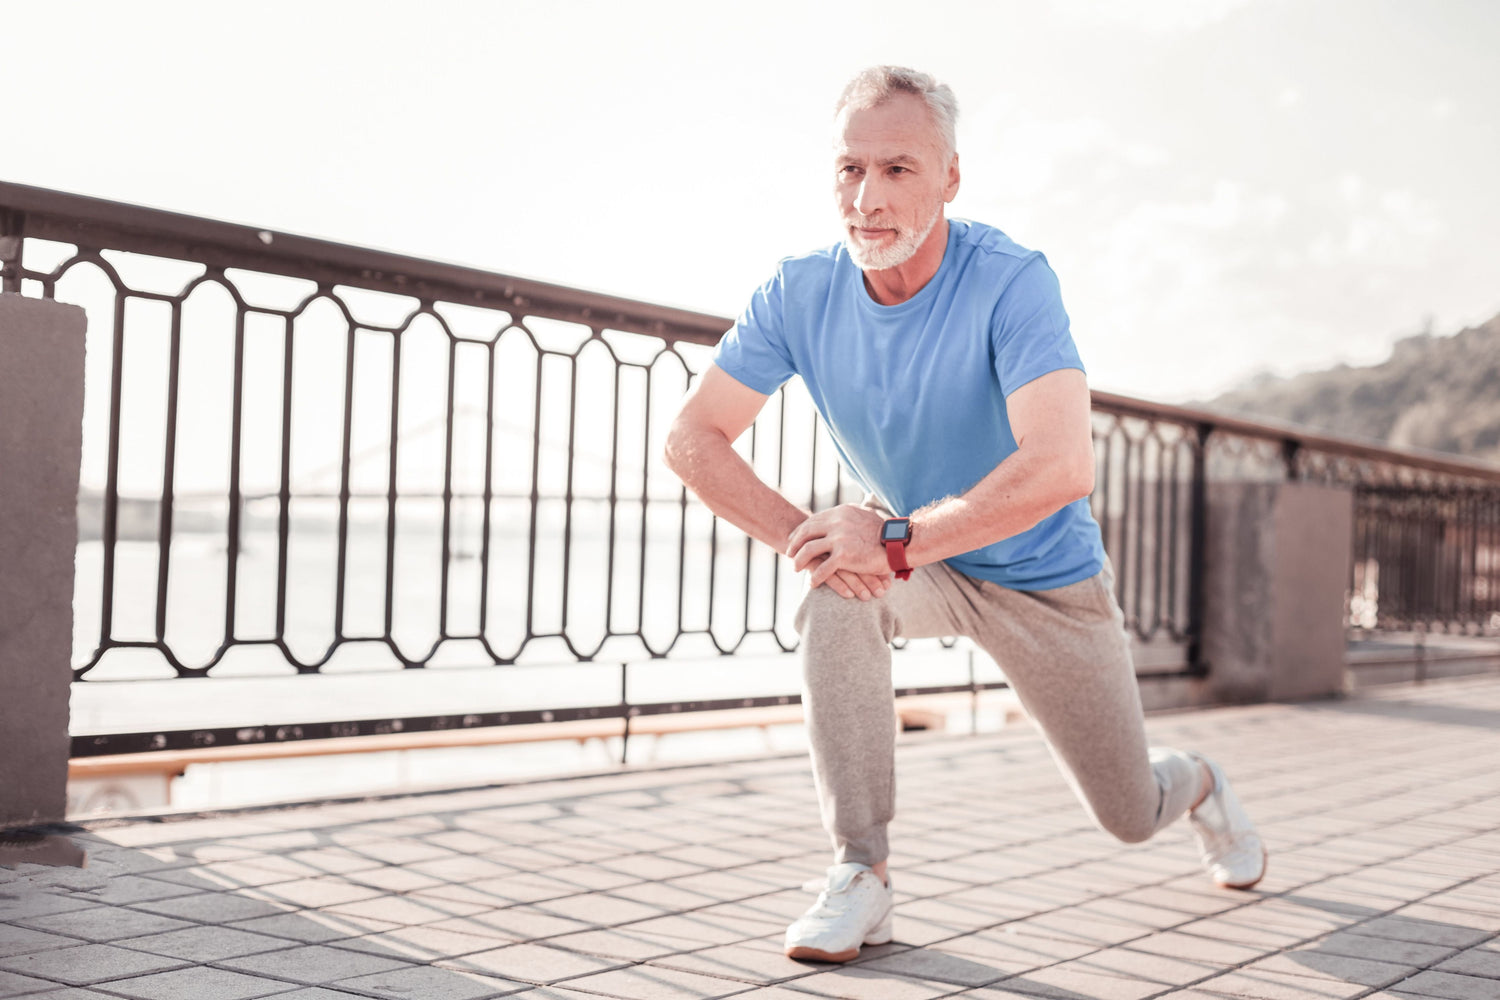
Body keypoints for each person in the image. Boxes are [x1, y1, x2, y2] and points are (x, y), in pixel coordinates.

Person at [663, 65, 1266, 965]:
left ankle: (1201, 783)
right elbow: (693, 436)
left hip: (1043, 580)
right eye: (849, 169)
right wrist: (819, 538)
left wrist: (894, 540)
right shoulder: (798, 291)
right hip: (920, 561)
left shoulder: (1011, 282)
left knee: (1129, 814)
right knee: (835, 594)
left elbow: (1062, 464)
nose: (867, 198)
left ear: (951, 178)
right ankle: (862, 874)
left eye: (899, 170)